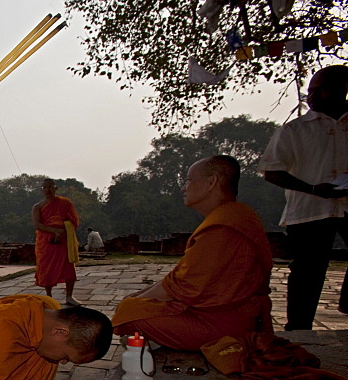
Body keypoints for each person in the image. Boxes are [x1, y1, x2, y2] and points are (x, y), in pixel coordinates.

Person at [112, 156, 274, 350]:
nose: (184, 187)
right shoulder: (234, 217)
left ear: (211, 182)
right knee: (133, 305)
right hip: (226, 313)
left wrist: (132, 302)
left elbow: (183, 286)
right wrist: (137, 296)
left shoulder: (224, 227)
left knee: (128, 314)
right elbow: (178, 279)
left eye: (189, 180)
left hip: (225, 325)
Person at [259, 65, 348, 328]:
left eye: (319, 90)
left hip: (347, 204)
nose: (311, 96)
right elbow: (272, 171)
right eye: (310, 90)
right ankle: (298, 328)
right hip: (309, 207)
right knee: (308, 271)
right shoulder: (295, 130)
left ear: (341, 90)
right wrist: (312, 188)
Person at [33, 179, 81, 305]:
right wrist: (54, 230)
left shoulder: (65, 203)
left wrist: (62, 230)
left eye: (50, 187)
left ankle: (69, 296)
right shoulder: (38, 207)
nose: (48, 190)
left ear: (56, 188)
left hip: (63, 240)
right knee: (46, 268)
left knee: (68, 267)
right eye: (45, 187)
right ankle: (49, 296)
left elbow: (74, 221)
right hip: (47, 242)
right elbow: (37, 224)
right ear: (41, 190)